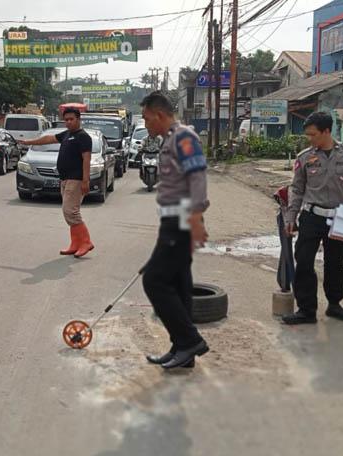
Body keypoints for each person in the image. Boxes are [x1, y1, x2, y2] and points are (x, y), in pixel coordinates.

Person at [139, 92, 210, 369]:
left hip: (182, 219)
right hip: (173, 219)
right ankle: (183, 349)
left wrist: (194, 218)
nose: (145, 124)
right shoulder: (170, 139)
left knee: (154, 280)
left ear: (159, 115)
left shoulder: (183, 137)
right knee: (179, 285)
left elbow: (198, 178)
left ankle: (190, 340)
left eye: (146, 118)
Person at [282, 112, 343, 325]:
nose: (309, 139)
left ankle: (335, 304)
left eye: (313, 134)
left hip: (340, 218)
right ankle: (306, 310)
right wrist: (291, 217)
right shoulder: (304, 157)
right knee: (303, 261)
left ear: (327, 131)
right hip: (312, 216)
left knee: (336, 263)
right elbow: (297, 189)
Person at [18, 107, 94, 258]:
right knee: (69, 212)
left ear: (79, 119)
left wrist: (86, 181)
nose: (68, 122)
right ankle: (75, 243)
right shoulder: (67, 134)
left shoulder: (83, 137)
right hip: (65, 178)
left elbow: (87, 159)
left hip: (76, 178)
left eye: (71, 119)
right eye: (66, 120)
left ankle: (86, 242)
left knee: (70, 211)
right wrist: (29, 142)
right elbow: (48, 139)